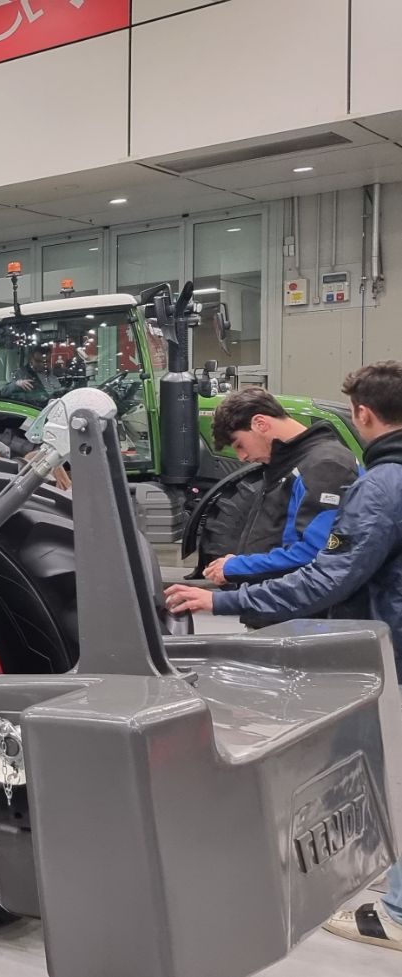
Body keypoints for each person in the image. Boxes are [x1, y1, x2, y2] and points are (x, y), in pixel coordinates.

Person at [165, 361, 402, 954]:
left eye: (240, 444)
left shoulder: (366, 480)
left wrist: (226, 596)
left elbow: (326, 570)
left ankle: (397, 912)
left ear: (363, 414)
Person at [198, 390, 359, 622]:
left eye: (240, 444)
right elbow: (280, 534)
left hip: (305, 620)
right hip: (285, 611)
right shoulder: (292, 465)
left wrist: (239, 566)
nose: (242, 457)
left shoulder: (324, 465)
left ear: (260, 423)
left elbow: (316, 555)